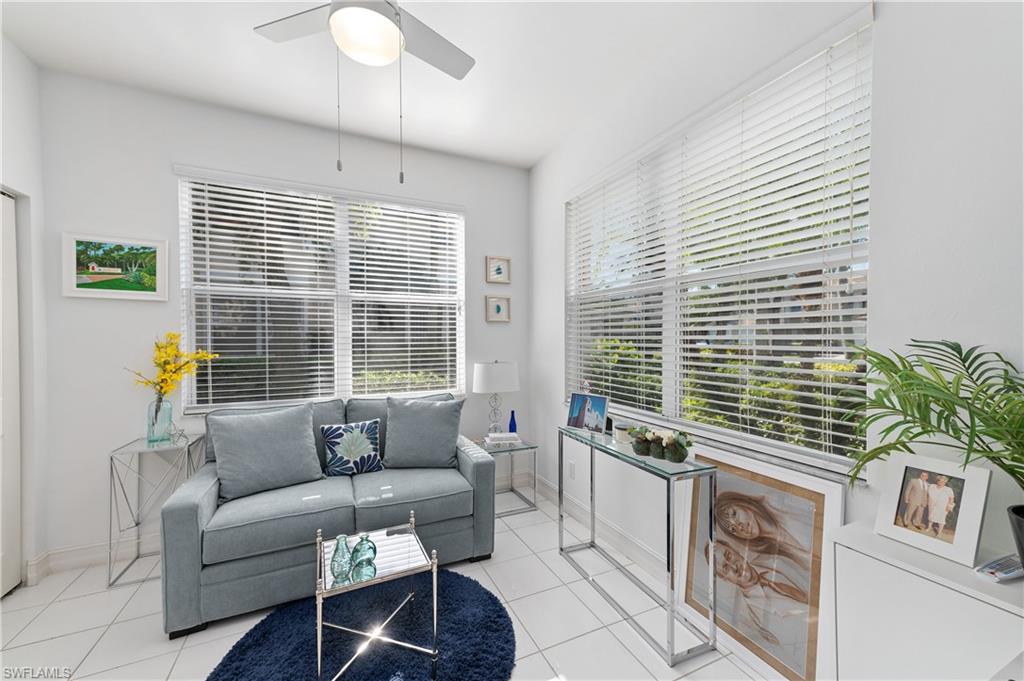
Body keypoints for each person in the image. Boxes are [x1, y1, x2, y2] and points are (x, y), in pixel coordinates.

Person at [716, 492, 810, 569]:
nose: (739, 527)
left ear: (741, 502)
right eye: (733, 529)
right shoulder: (764, 561)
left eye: (734, 514)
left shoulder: (778, 502)